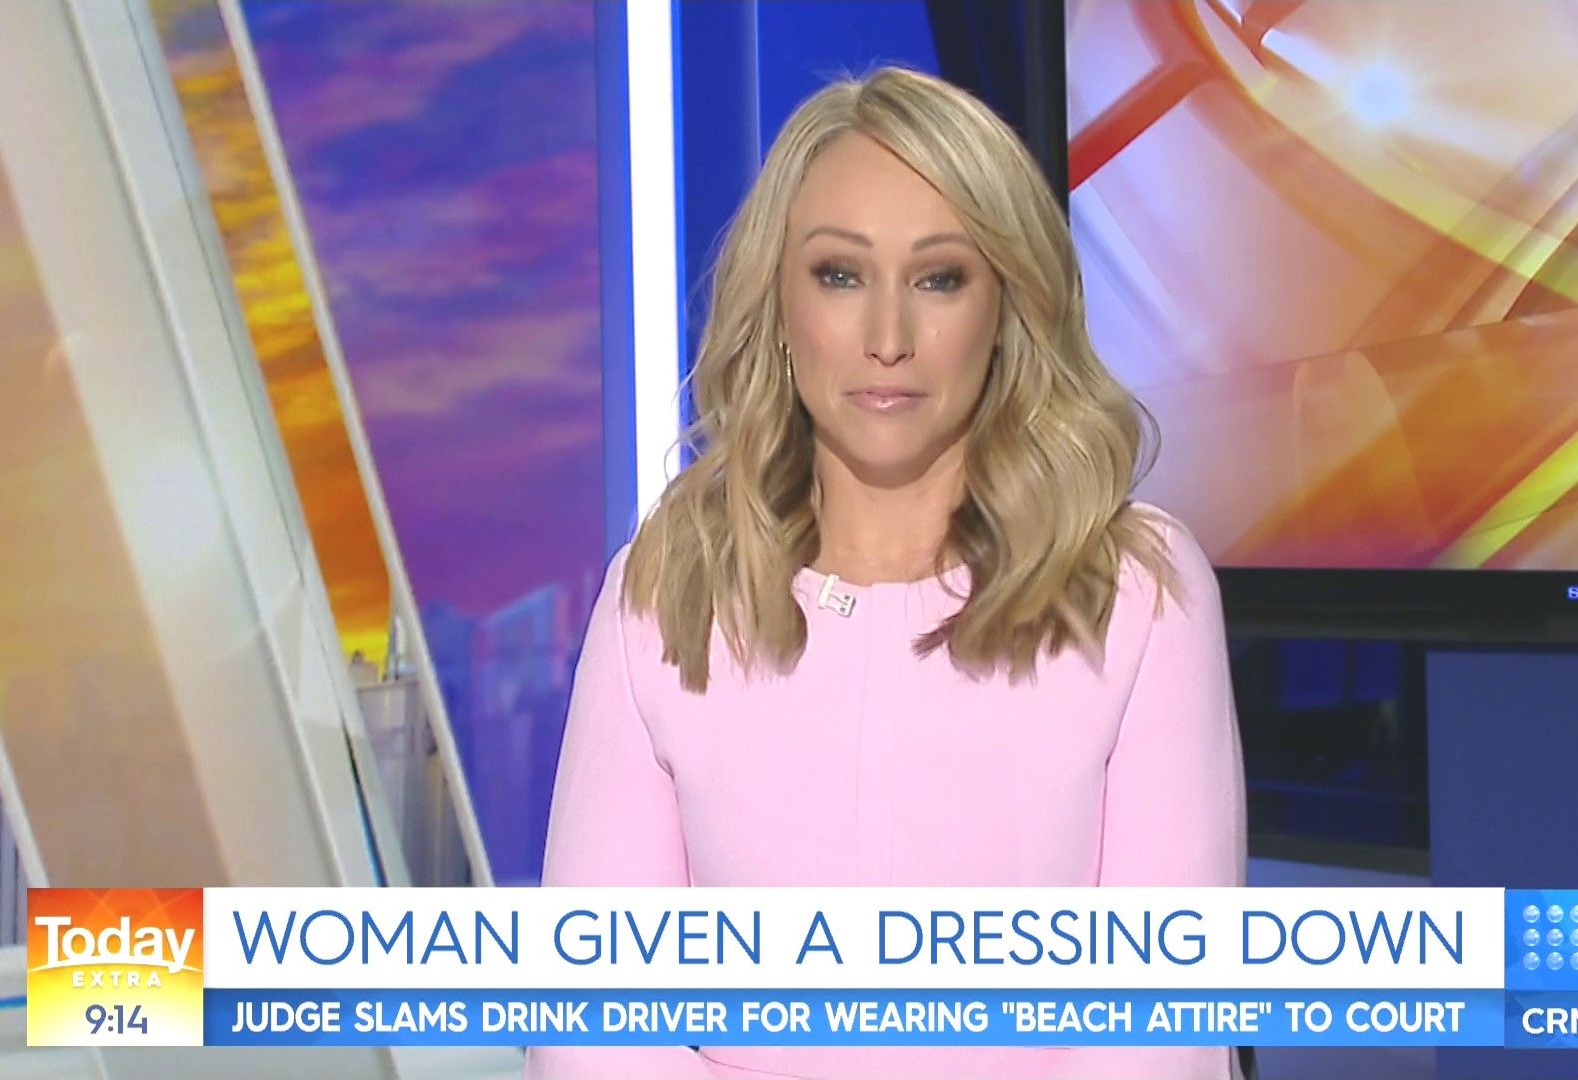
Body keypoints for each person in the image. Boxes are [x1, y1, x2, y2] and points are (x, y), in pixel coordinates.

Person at [528, 66, 1245, 1080]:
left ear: (1008, 308)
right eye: (840, 274)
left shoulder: (1137, 593)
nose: (888, 340)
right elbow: (595, 1032)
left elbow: (1159, 1039)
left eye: (939, 278)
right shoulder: (664, 593)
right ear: (778, 305)